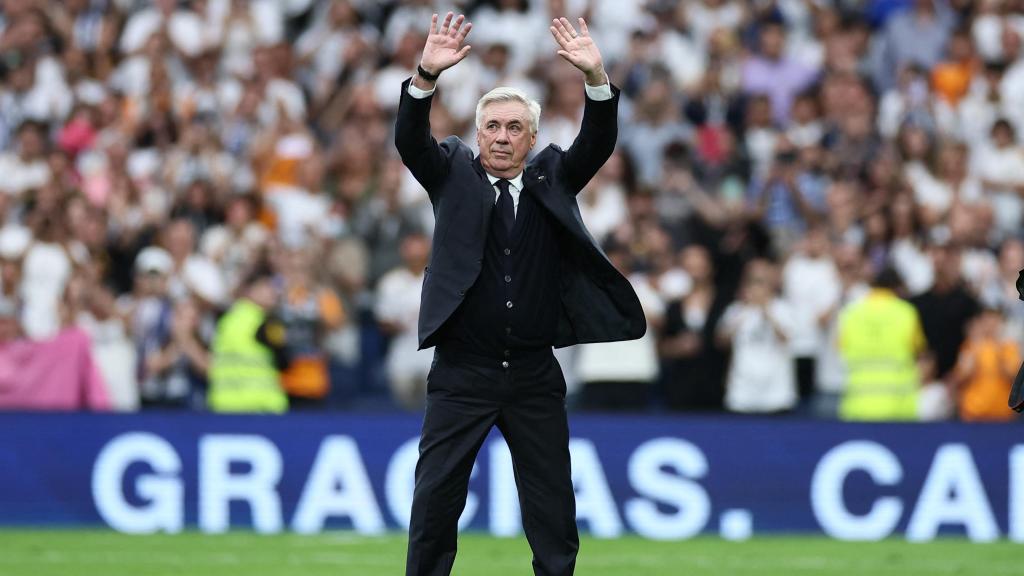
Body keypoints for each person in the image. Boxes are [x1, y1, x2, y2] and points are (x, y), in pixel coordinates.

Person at [395, 13, 644, 576]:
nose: (502, 137)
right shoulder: (451, 173)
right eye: (493, 127)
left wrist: (596, 76)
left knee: (552, 508)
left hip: (534, 374)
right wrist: (425, 78)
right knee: (435, 502)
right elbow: (410, 140)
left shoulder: (551, 176)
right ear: (477, 133)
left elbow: (598, 141)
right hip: (462, 372)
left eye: (514, 128)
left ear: (532, 138)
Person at [838, 268, 928, 421]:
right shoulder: (906, 313)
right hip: (898, 406)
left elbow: (841, 348)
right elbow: (920, 352)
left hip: (858, 404)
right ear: (897, 288)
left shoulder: (851, 313)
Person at [207, 266, 289, 413]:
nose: (273, 293)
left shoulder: (227, 319)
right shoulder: (264, 322)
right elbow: (285, 360)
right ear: (250, 290)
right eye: (267, 287)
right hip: (258, 404)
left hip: (225, 402)